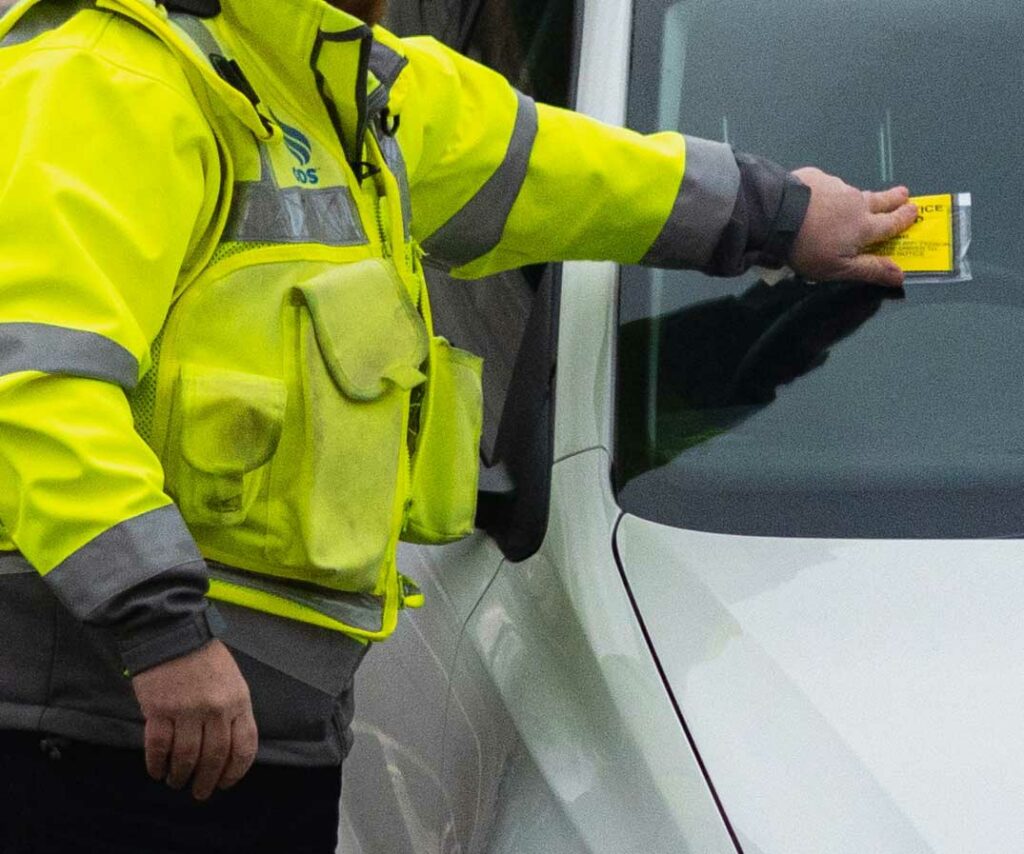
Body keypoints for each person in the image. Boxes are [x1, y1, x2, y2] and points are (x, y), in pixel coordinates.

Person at [0, 0, 916, 849]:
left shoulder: (349, 84)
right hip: (111, 724)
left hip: (256, 737)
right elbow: (35, 382)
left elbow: (577, 170)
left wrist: (785, 215)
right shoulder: (113, 74)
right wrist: (161, 632)